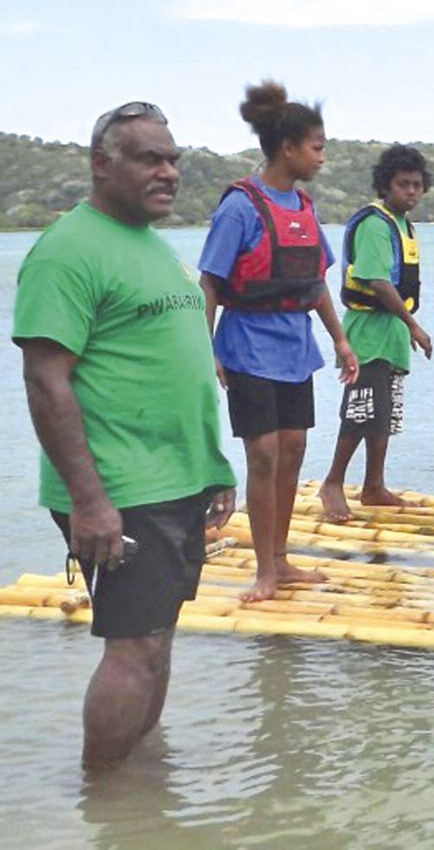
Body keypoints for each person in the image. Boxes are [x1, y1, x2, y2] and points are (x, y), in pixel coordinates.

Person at [14, 102, 237, 768]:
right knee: (134, 648)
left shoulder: (147, 243)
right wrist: (89, 500)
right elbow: (45, 382)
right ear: (101, 164)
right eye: (150, 158)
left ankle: (143, 800)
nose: (168, 171)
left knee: (157, 637)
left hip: (175, 479)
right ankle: (105, 802)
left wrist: (214, 468)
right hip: (119, 485)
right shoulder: (67, 251)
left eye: (173, 159)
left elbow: (174, 366)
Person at [198, 81, 358, 603]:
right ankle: (264, 570)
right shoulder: (241, 206)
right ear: (287, 148)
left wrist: (340, 340)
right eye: (317, 146)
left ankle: (282, 560)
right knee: (262, 455)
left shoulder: (305, 207)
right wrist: (207, 351)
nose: (323, 157)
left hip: (295, 349)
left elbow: (315, 284)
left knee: (292, 450)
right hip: (246, 347)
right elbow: (211, 282)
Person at [318, 145, 434, 522]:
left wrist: (405, 326)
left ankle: (374, 485)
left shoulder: (404, 226)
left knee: (384, 413)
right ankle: (332, 482)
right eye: (403, 185)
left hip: (391, 333)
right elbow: (377, 280)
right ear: (386, 185)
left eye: (417, 185)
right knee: (361, 408)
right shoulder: (374, 224)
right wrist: (414, 325)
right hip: (368, 331)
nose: (411, 192)